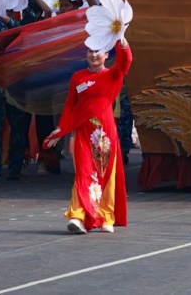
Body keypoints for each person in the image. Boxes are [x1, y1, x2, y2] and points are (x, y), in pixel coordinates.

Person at [45, 37, 133, 234]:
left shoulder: (113, 74)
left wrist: (122, 41)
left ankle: (106, 216)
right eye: (90, 51)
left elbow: (126, 61)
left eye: (98, 51)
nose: (93, 55)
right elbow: (70, 106)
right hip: (83, 132)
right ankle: (77, 216)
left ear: (106, 55)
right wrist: (61, 129)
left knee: (105, 174)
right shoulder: (78, 77)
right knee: (84, 173)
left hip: (105, 133)